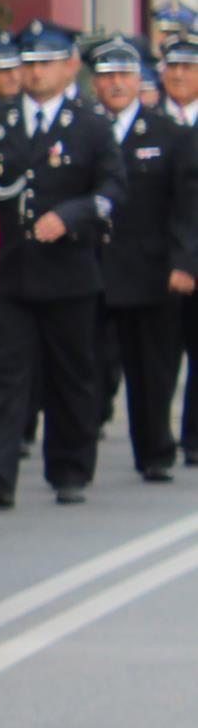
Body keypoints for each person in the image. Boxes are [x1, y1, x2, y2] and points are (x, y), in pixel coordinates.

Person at [0, 19, 117, 509]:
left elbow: (113, 189)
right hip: (11, 270)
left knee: (71, 373)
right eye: (27, 64)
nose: (33, 73)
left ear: (70, 67)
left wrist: (72, 217)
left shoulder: (91, 124)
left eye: (44, 63)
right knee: (3, 373)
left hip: (68, 270)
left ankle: (71, 468)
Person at [86, 35, 198, 481]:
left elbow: (184, 208)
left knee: (153, 367)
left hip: (150, 266)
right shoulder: (85, 129)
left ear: (137, 80)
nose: (115, 83)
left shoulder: (168, 135)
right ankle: (76, 455)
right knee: (87, 366)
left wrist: (184, 262)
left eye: (123, 75)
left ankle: (157, 450)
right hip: (92, 266)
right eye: (107, 75)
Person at [158, 24, 198, 467]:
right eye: (174, 66)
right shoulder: (152, 122)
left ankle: (194, 438)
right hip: (157, 260)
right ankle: (156, 440)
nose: (181, 74)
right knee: (159, 357)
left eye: (190, 66)